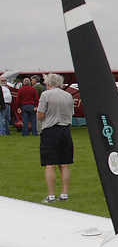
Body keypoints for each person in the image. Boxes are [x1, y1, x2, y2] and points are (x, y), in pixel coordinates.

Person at [36, 74, 74, 203]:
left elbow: (40, 115)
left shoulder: (46, 95)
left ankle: (51, 195)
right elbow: (71, 113)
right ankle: (64, 194)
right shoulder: (68, 96)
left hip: (51, 130)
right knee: (64, 164)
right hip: (65, 130)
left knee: (50, 164)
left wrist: (38, 111)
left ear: (49, 84)